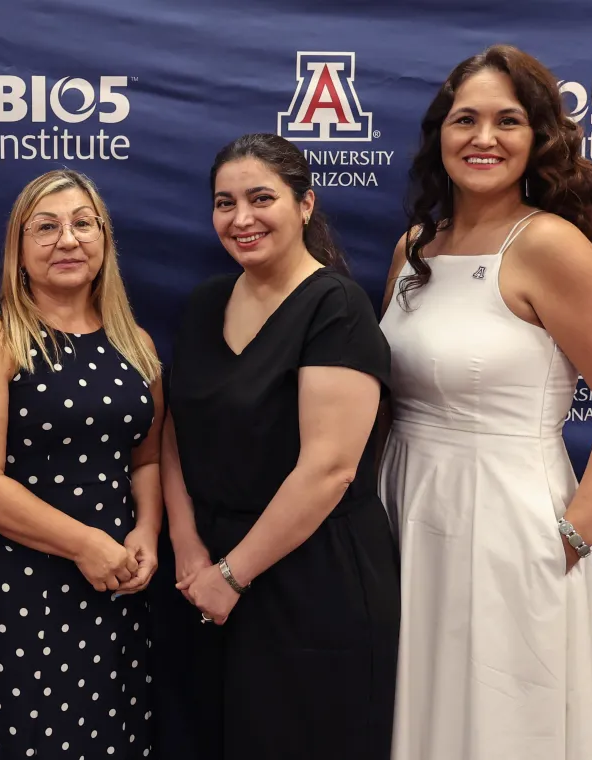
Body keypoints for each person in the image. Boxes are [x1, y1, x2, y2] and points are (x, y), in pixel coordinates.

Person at [379, 45, 592, 760]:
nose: (483, 138)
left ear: (538, 138)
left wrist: (574, 533)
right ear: (440, 135)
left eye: (507, 121)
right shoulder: (413, 249)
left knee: (499, 721)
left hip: (506, 527)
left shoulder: (551, 246)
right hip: (405, 511)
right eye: (465, 119)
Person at [163, 133, 400, 759]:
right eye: (224, 202)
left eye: (260, 197)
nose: (241, 219)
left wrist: (232, 576)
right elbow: (171, 435)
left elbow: (329, 469)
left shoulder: (336, 306)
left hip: (311, 580)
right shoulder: (206, 301)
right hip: (205, 578)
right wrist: (189, 553)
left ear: (305, 205)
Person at [0, 169, 164, 759]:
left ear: (104, 241)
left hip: (117, 581)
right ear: (18, 249)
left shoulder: (134, 342)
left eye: (83, 224)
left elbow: (147, 458)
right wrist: (84, 544)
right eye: (46, 227)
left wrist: (146, 533)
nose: (67, 240)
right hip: (22, 587)